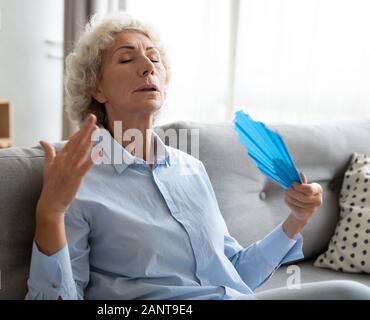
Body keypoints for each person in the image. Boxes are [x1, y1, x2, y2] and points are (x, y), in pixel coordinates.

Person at [25, 13, 370, 300]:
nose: (148, 67)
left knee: (351, 294)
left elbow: (235, 272)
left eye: (154, 58)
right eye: (127, 58)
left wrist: (296, 218)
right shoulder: (77, 178)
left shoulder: (189, 167)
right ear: (96, 89)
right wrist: (50, 213)